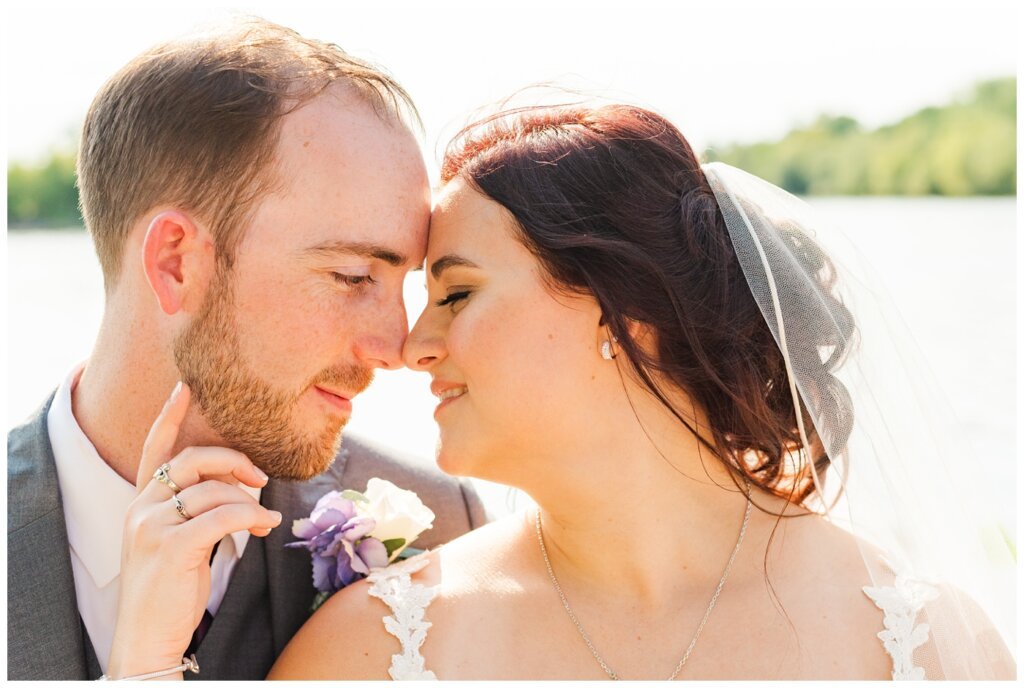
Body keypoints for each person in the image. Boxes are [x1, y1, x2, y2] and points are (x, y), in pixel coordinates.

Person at [265, 103, 1016, 680]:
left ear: (629, 312)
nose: (410, 346)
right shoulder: (376, 648)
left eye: (456, 294)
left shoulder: (920, 644)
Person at [6, 19, 486, 681]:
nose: (395, 348)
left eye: (401, 283)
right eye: (351, 277)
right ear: (175, 263)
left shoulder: (436, 530)